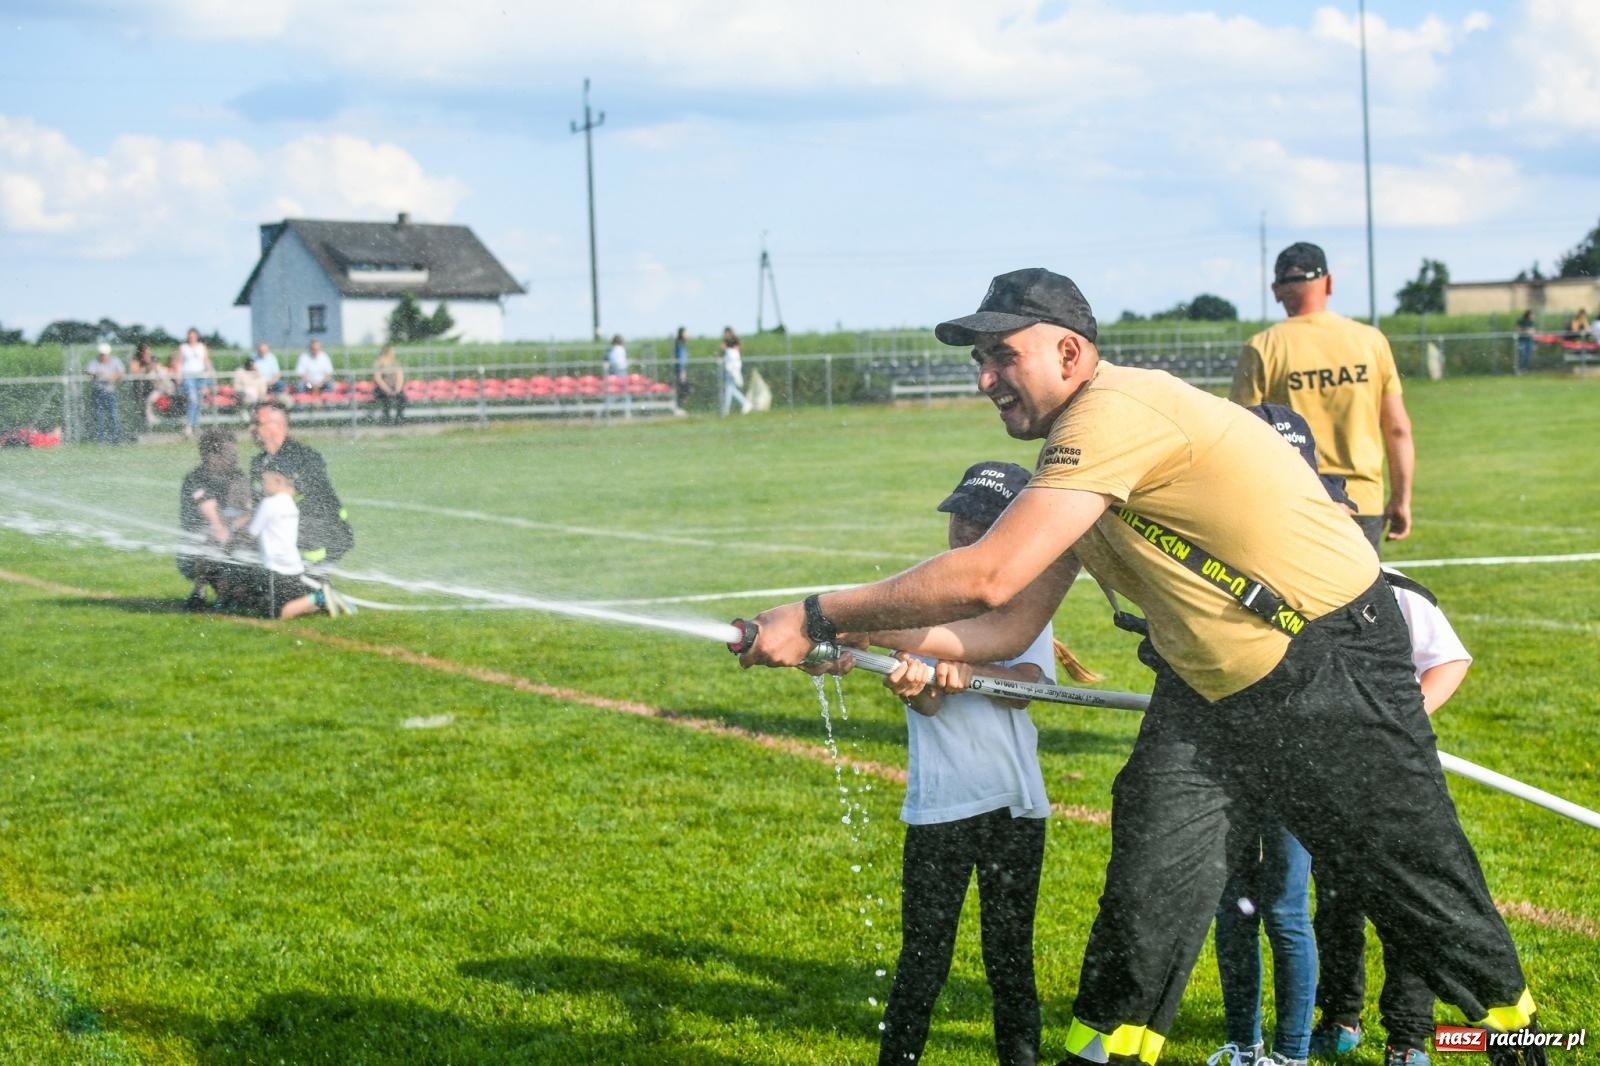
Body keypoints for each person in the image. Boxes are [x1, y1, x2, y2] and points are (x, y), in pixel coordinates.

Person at [738, 268, 1547, 1066]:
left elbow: (990, 575)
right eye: (976, 359)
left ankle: (1525, 1044)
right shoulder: (1074, 457)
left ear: (1067, 351)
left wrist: (816, 611)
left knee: (1421, 891)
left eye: (1000, 355)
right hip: (1210, 692)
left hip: (1329, 664)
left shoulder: (1115, 413)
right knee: (1145, 898)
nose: (985, 378)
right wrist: (852, 649)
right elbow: (1008, 622)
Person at [855, 460, 1054, 1066]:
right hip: (940, 807)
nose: (965, 530)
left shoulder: (1021, 600)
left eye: (983, 520)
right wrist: (917, 686)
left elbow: (1028, 680)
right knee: (923, 961)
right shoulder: (927, 598)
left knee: (1010, 960)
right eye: (960, 515)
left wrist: (974, 671)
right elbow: (933, 704)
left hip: (1014, 806)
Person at [1230, 242, 1415, 548]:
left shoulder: (1262, 347)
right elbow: (1397, 429)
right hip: (1361, 501)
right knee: (1360, 595)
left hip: (1293, 501)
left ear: (1276, 290)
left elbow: (1240, 435)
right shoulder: (1370, 341)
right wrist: (1400, 498)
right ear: (1329, 283)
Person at [228, 453, 352, 619]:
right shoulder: (289, 502)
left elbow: (251, 533)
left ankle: (320, 598)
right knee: (280, 605)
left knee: (276, 614)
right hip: (294, 568)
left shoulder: (269, 503)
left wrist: (233, 532)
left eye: (264, 481)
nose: (261, 485)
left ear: (278, 481)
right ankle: (324, 601)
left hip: (276, 569)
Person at [248, 401, 354, 566]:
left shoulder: (305, 458)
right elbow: (257, 503)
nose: (251, 429)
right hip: (287, 533)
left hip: (322, 534)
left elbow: (311, 501)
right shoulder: (258, 463)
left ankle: (315, 583)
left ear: (277, 426)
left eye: (257, 423)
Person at [177, 427, 251, 610]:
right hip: (196, 550)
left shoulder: (238, 477)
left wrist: (238, 529)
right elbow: (214, 521)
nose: (236, 458)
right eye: (230, 453)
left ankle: (232, 590)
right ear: (211, 455)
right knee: (211, 537)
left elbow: (248, 511)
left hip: (230, 539)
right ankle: (199, 593)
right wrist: (229, 530)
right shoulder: (195, 479)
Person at [84, 342, 125, 444]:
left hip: (110, 393)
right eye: (102, 354)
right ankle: (101, 440)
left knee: (113, 416)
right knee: (99, 417)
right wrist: (99, 374)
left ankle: (115, 439)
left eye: (105, 354)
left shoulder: (115, 361)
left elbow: (121, 373)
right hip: (98, 393)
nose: (103, 356)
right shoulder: (94, 362)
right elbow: (89, 372)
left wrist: (112, 377)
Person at [176, 328, 214, 438]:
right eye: (190, 335)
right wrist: (179, 375)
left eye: (194, 335)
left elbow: (206, 361)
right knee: (192, 399)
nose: (192, 337)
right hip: (188, 376)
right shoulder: (183, 347)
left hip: (200, 376)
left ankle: (195, 425)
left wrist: (211, 374)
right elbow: (179, 362)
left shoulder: (202, 347)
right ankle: (189, 425)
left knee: (198, 401)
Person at [719, 327, 751, 416]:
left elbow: (738, 349)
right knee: (730, 389)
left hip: (733, 367)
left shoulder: (735, 340)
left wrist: (729, 349)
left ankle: (727, 410)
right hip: (729, 367)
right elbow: (722, 352)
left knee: (729, 389)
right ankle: (744, 403)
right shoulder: (725, 341)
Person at [372, 345, 407, 424]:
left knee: (402, 398)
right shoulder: (379, 364)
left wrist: (397, 389)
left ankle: (399, 418)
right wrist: (388, 390)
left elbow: (400, 376)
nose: (394, 353)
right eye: (392, 351)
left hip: (394, 387)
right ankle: (386, 419)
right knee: (387, 400)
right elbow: (378, 379)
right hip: (382, 389)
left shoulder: (395, 363)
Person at [128, 342, 157, 420]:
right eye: (145, 352)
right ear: (140, 352)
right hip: (138, 388)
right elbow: (134, 372)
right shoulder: (135, 359)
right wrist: (145, 367)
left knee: (147, 403)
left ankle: (150, 421)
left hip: (151, 386)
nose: (147, 354)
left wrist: (148, 363)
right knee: (138, 407)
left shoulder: (152, 358)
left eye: (148, 352)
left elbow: (153, 368)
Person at [672, 326, 691, 405]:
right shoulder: (679, 344)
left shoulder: (681, 344)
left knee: (684, 387)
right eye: (685, 333)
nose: (687, 335)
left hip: (682, 369)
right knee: (683, 387)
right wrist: (682, 370)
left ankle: (680, 404)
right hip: (681, 370)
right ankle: (679, 405)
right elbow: (681, 358)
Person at [1514, 310, 1536, 375]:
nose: (1533, 316)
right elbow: (1517, 329)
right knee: (1522, 355)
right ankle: (1519, 369)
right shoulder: (1521, 321)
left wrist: (1529, 331)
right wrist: (1526, 330)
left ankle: (1524, 369)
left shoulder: (1531, 322)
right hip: (1522, 341)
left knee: (1527, 356)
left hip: (1529, 341)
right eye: (1532, 315)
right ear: (1528, 315)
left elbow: (1533, 331)